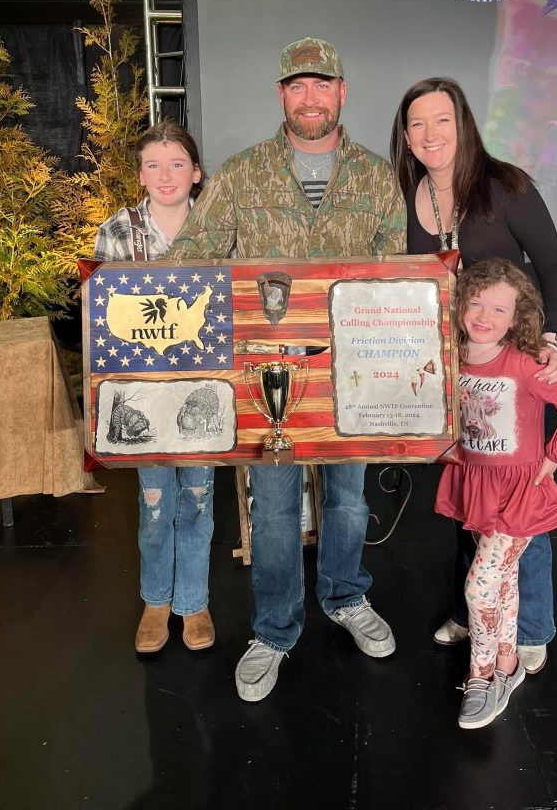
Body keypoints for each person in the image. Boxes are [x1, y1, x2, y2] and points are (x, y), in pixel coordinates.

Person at [168, 37, 406, 701]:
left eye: (321, 84)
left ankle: (344, 596)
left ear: (341, 91)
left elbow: (393, 276)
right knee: (272, 512)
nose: (309, 98)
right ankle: (274, 629)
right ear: (281, 95)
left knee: (349, 502)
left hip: (350, 375)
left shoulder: (376, 176)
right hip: (267, 379)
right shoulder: (242, 176)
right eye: (296, 86)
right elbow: (193, 254)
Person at [390, 76, 557, 674]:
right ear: (406, 136)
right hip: (452, 375)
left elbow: (553, 270)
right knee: (472, 496)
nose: (430, 134)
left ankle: (532, 625)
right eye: (417, 123)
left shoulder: (507, 188)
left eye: (441, 120)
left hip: (513, 372)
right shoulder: (406, 195)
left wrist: (547, 343)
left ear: (463, 123)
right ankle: (477, 608)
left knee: (521, 501)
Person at [438, 258, 557, 729]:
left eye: (499, 310)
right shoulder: (453, 354)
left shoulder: (528, 365)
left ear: (518, 319)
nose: (484, 317)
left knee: (480, 584)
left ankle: (481, 675)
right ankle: (507, 664)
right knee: (503, 583)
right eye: (476, 303)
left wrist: (553, 457)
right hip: (479, 486)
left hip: (520, 493)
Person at [94, 120, 216, 655]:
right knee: (153, 502)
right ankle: (155, 601)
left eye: (176, 164)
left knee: (199, 497)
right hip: (142, 392)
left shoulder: (218, 227)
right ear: (140, 175)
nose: (165, 175)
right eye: (152, 165)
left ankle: (193, 601)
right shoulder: (117, 231)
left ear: (196, 172)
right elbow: (99, 315)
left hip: (204, 387)